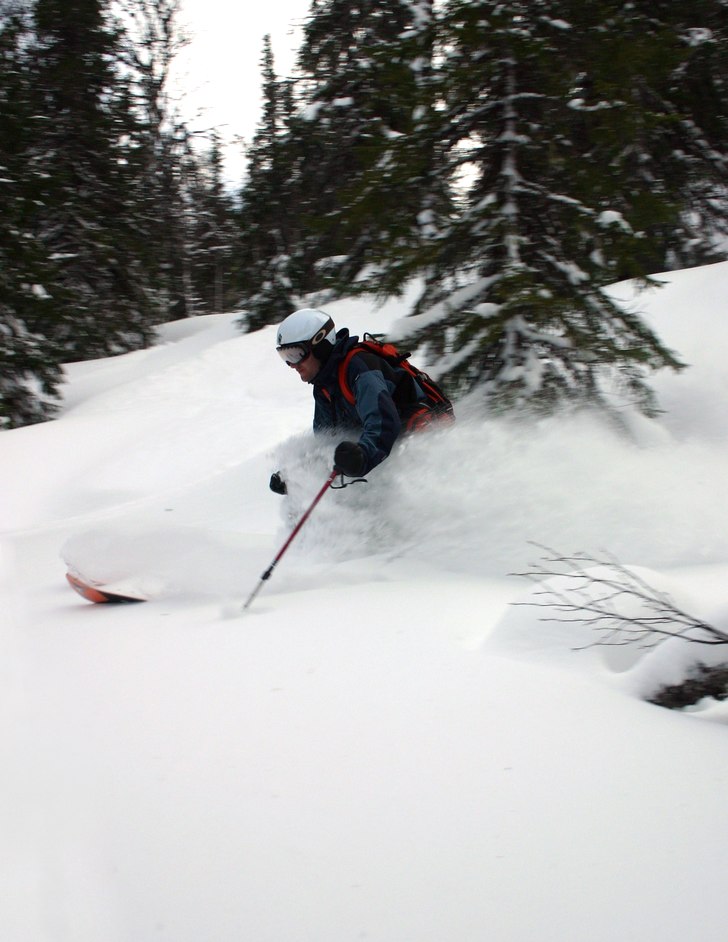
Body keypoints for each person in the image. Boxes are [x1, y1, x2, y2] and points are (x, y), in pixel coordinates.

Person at [270, 308, 452, 494]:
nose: (292, 365)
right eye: (285, 357)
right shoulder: (324, 385)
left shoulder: (360, 368)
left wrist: (362, 456)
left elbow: (384, 424)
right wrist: (296, 476)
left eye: (296, 354)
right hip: (388, 454)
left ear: (320, 344)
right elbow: (328, 444)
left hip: (422, 444)